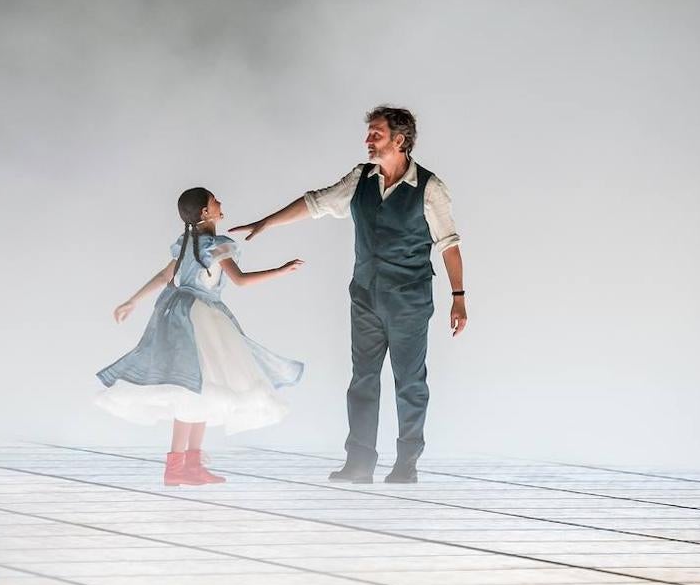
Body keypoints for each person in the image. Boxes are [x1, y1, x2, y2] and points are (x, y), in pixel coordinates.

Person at [231, 106, 465, 484]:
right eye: (369, 133)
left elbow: (449, 244)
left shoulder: (429, 188)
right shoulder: (361, 178)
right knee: (362, 380)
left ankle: (407, 462)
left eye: (376, 134)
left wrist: (459, 296)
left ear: (399, 140)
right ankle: (359, 461)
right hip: (365, 297)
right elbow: (316, 202)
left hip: (408, 300)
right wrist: (267, 222)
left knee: (409, 382)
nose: (368, 140)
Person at [96, 187, 305, 486]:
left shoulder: (187, 244)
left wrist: (133, 301)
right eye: (214, 201)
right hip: (198, 317)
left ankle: (190, 465)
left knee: (204, 388)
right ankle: (176, 466)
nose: (220, 203)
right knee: (192, 388)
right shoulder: (215, 246)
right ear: (205, 212)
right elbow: (240, 281)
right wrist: (280, 271)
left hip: (184, 314)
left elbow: (165, 276)